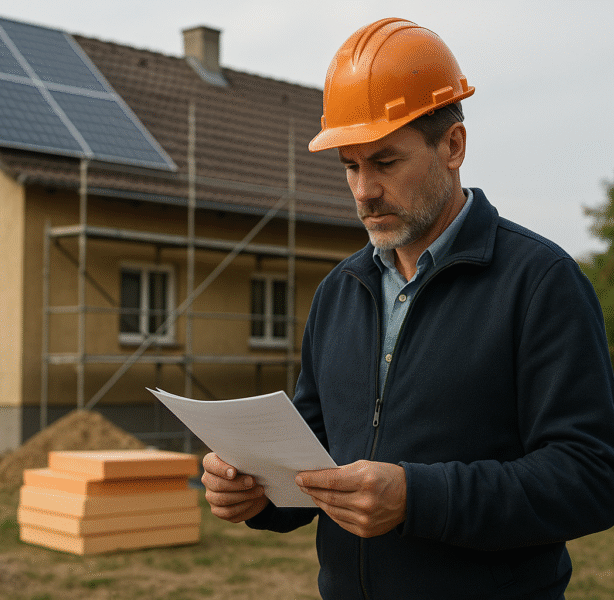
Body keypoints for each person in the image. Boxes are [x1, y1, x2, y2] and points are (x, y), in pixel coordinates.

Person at [201, 17, 614, 599]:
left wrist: (417, 498)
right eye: (350, 166)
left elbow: (591, 478)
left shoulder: (540, 282)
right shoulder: (339, 291)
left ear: (453, 146)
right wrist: (257, 494)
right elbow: (314, 459)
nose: (363, 190)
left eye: (385, 162)